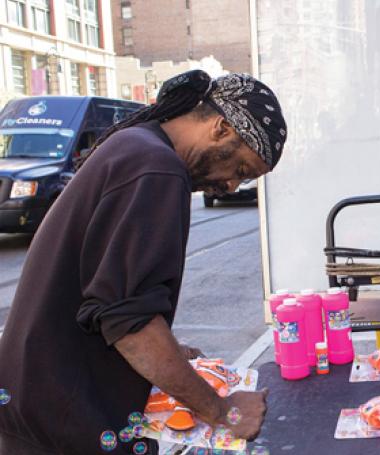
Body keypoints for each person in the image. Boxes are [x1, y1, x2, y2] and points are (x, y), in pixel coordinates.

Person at [0, 70, 287, 455]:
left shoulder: (134, 146)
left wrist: (169, 350)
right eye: (240, 170)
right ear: (221, 129)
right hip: (67, 424)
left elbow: (105, 295)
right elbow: (129, 323)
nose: (232, 185)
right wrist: (223, 412)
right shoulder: (157, 167)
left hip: (41, 407)